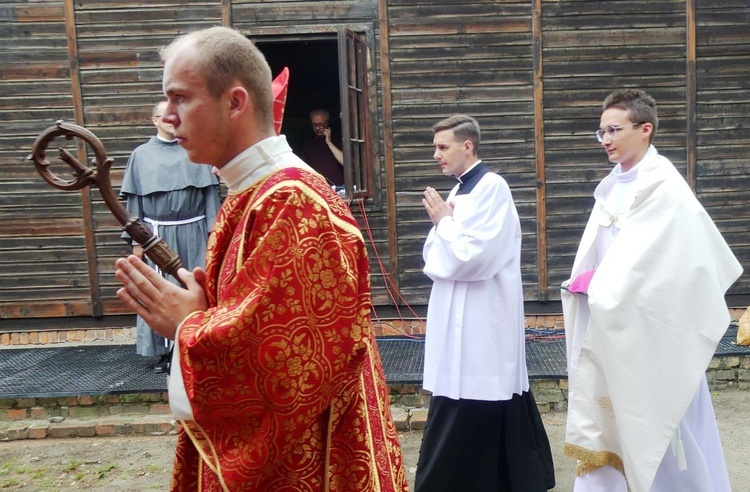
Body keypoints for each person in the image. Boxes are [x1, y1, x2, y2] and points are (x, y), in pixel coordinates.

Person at [113, 26, 407, 491]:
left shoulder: (294, 202)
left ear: (234, 103)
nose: (168, 118)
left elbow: (295, 366)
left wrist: (189, 329)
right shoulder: (249, 191)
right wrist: (204, 309)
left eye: (180, 98)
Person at [561, 89, 743, 492]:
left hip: (658, 330)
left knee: (662, 416)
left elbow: (676, 269)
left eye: (614, 129)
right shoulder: (610, 188)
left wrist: (604, 282)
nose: (605, 139)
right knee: (608, 412)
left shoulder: (664, 188)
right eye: (601, 131)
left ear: (645, 129)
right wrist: (590, 279)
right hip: (612, 319)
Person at [415, 114, 555, 491]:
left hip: (482, 319)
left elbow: (472, 258)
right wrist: (445, 226)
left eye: (442, 147)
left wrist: (445, 224)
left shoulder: (493, 187)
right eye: (435, 148)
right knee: (460, 397)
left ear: (467, 146)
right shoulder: (459, 193)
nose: (436, 155)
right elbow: (433, 256)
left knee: (483, 395)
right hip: (457, 315)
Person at [119, 100, 220, 372]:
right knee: (159, 290)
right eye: (164, 116)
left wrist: (214, 234)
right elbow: (134, 206)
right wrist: (137, 243)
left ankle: (196, 346)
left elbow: (211, 197)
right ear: (154, 120)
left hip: (196, 231)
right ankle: (165, 353)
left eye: (174, 116)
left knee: (198, 288)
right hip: (156, 235)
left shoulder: (194, 150)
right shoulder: (141, 156)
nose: (170, 120)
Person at [300, 108, 345, 186]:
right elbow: (303, 169)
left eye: (321, 124)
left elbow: (345, 162)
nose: (318, 128)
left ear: (327, 123)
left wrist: (329, 143)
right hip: (317, 188)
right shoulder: (308, 144)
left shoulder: (339, 139)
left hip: (339, 188)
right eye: (315, 125)